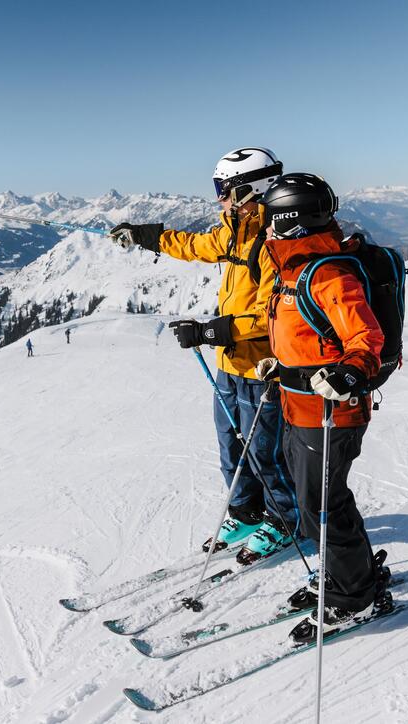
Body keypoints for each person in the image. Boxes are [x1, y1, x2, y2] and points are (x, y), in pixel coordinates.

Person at [110, 148, 299, 562]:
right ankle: (246, 511)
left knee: (263, 450)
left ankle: (285, 520)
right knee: (230, 445)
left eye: (225, 190)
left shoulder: (274, 244)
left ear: (252, 190)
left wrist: (214, 330)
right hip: (230, 363)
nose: (219, 199)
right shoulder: (236, 233)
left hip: (262, 367)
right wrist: (143, 236)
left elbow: (273, 315)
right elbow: (194, 245)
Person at [255, 172, 392, 640]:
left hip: (332, 411)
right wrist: (282, 364)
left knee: (323, 504)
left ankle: (356, 598)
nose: (264, 229)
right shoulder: (293, 270)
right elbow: (308, 336)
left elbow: (365, 338)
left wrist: (351, 370)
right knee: (316, 501)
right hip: (300, 406)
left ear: (289, 222)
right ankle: (348, 575)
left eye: (270, 220)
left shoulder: (329, 273)